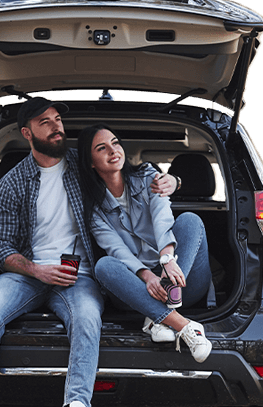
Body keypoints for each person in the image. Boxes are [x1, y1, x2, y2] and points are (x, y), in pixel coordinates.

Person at [0, 98, 177, 407]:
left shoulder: (84, 165)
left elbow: (131, 174)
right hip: (28, 274)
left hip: (80, 276)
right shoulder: (12, 184)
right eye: (44, 122)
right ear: (27, 133)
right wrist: (37, 270)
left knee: (87, 317)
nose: (56, 127)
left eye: (57, 119)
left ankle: (77, 402)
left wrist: (171, 180)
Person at [77, 124, 213, 363]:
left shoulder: (148, 176)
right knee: (105, 265)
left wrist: (167, 260)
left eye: (115, 143)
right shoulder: (93, 209)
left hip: (181, 282)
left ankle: (156, 317)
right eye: (102, 148)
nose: (113, 150)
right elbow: (117, 249)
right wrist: (148, 278)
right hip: (136, 289)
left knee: (190, 221)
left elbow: (162, 218)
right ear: (90, 163)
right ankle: (184, 326)